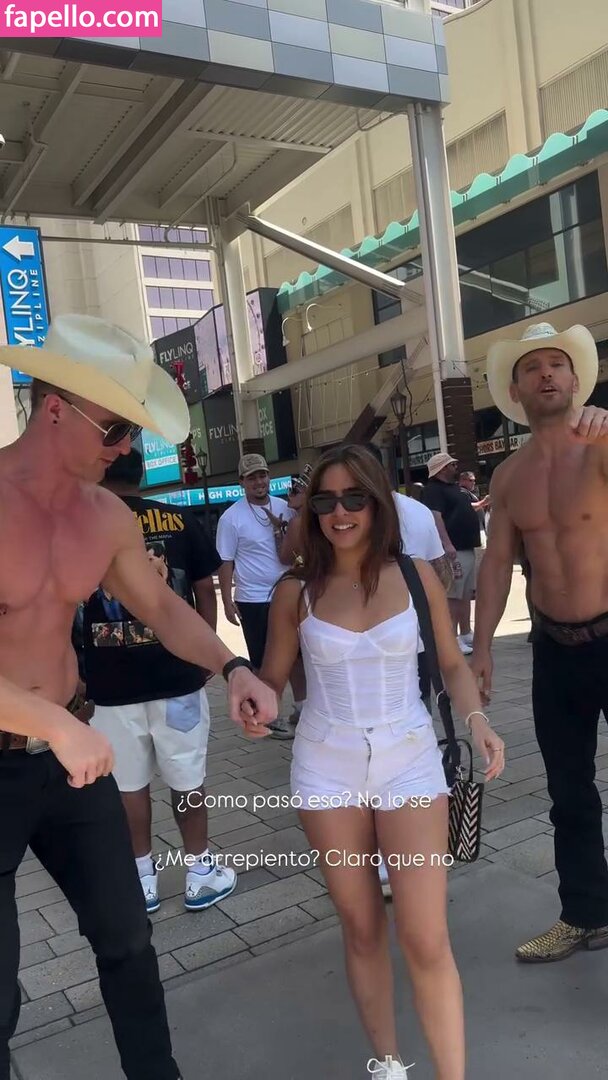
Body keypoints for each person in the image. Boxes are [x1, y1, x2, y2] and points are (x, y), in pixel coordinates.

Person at [0, 314, 277, 1080]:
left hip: (72, 758)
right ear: (55, 408)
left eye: (134, 432)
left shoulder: (105, 517)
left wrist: (234, 667)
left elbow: (162, 609)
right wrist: (53, 722)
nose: (126, 449)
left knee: (127, 941)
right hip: (39, 746)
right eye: (117, 428)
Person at [260, 444, 505, 1080]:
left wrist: (477, 719)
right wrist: (251, 700)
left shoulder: (416, 575)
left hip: (410, 762)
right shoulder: (296, 592)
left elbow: (450, 663)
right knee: (362, 925)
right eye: (324, 500)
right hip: (326, 769)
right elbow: (272, 679)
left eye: (354, 498)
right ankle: (389, 1064)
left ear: (377, 503)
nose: (339, 513)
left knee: (425, 935)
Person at [472, 320, 608, 963]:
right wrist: (481, 648)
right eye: (532, 368)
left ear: (577, 381)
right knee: (568, 791)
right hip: (554, 649)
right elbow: (497, 564)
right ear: (515, 391)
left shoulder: (603, 445)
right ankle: (585, 914)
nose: (546, 373)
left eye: (556, 364)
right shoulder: (508, 476)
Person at [78, 449, 236, 915]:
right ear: (143, 472)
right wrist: (206, 652)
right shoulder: (179, 520)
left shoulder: (83, 527)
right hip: (178, 677)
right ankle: (200, 872)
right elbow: (204, 588)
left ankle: (142, 878)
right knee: (187, 778)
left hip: (109, 685)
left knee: (128, 785)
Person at [216, 453, 299, 739]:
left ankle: (302, 709)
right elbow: (225, 560)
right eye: (252, 478)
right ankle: (269, 716)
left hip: (290, 592)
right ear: (242, 482)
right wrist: (227, 601)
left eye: (262, 475)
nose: (259, 482)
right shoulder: (231, 518)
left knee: (299, 657)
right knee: (263, 662)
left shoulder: (286, 508)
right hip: (254, 599)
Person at [421, 454, 482, 655]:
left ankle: (465, 632)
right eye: (452, 464)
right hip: (453, 549)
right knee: (453, 596)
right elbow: (436, 517)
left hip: (466, 546)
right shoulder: (433, 490)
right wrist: (447, 544)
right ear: (442, 468)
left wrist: (483, 503)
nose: (456, 467)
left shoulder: (454, 488)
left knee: (465, 594)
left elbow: (464, 508)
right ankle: (452, 638)